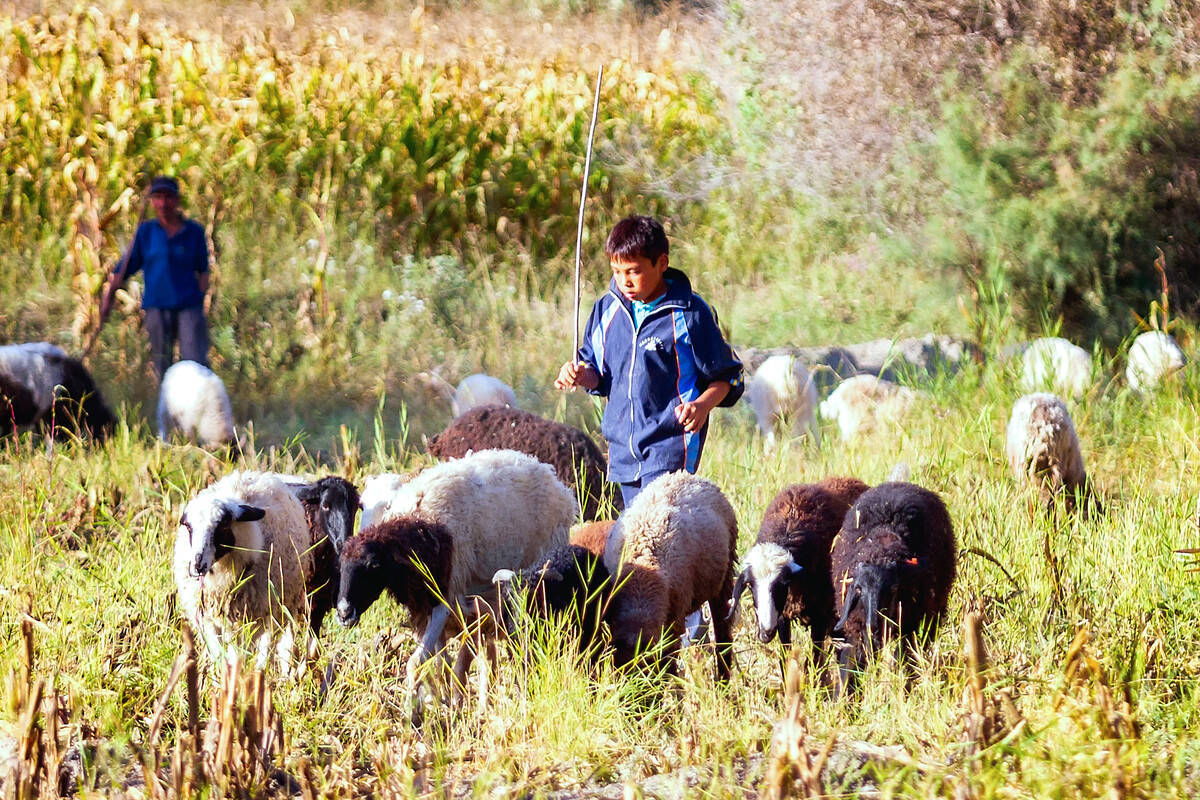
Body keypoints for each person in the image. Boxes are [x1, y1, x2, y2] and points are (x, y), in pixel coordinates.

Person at [555, 215, 744, 507]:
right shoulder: (607, 310)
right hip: (622, 452)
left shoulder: (689, 313)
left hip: (670, 446)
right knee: (635, 538)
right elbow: (599, 377)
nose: (624, 281)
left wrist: (702, 406)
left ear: (662, 263)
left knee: (661, 532)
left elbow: (728, 377)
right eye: (617, 271)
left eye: (633, 271)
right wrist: (580, 375)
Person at [99, 175, 211, 378]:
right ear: (151, 201)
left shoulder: (193, 232)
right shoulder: (146, 233)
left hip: (188, 307)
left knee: (196, 365)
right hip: (157, 309)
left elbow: (203, 272)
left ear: (176, 200)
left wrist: (199, 303)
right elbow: (124, 268)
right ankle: (169, 408)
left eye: (168, 197)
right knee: (163, 366)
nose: (163, 203)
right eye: (157, 197)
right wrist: (107, 300)